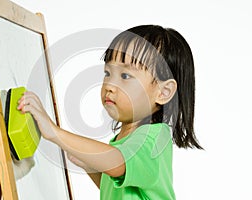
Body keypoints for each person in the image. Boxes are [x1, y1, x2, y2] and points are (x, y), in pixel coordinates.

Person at [17, 25, 202, 199]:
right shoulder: (125, 141)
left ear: (163, 92)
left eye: (125, 76)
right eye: (107, 73)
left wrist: (54, 132)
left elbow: (116, 161)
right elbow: (118, 187)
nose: (110, 86)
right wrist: (91, 168)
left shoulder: (153, 138)